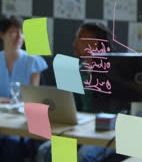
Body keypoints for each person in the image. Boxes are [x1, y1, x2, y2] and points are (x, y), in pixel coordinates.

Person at [36, 22, 115, 162]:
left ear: (95, 43)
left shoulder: (114, 72)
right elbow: (71, 110)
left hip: (107, 132)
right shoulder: (75, 71)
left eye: (79, 38)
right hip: (80, 130)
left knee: (82, 157)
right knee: (45, 152)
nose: (74, 43)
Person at [0, 15, 48, 161]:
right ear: (2, 35)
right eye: (13, 32)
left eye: (22, 32)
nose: (19, 36)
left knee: (10, 146)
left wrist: (5, 101)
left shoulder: (33, 61)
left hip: (23, 123)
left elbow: (32, 100)